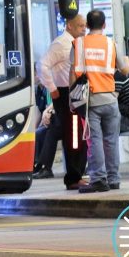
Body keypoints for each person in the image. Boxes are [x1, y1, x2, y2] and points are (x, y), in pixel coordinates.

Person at [73, 10, 129, 193]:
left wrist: (71, 101)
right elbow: (125, 70)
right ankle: (114, 179)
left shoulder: (79, 44)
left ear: (87, 26)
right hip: (111, 99)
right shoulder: (110, 43)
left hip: (90, 101)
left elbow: (72, 75)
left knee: (94, 140)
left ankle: (98, 178)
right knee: (111, 140)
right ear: (104, 25)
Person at [37, 13, 88, 189]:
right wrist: (52, 88)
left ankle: (78, 174)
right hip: (66, 94)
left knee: (80, 136)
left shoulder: (79, 43)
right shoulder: (61, 43)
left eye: (85, 26)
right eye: (81, 26)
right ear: (69, 26)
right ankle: (73, 178)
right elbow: (42, 65)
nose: (84, 29)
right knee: (73, 136)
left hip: (78, 91)